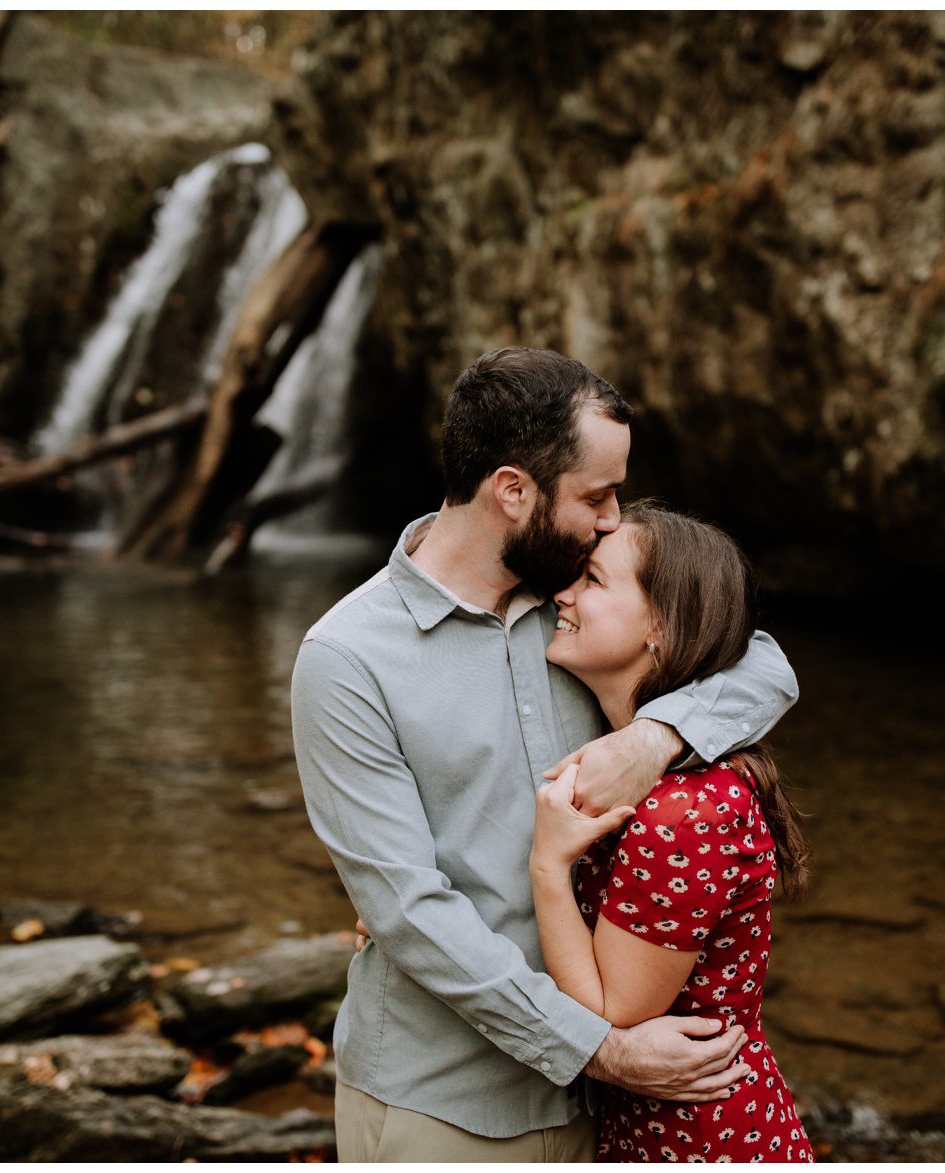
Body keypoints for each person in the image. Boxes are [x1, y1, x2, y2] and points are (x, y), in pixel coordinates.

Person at [292, 347, 800, 1161]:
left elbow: (763, 661)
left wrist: (655, 738)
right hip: (445, 1105)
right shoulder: (346, 658)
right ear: (513, 490)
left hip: (602, 1107)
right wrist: (602, 1050)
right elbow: (410, 913)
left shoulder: (577, 604)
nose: (612, 519)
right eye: (595, 496)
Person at [531, 502, 814, 1162]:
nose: (563, 594)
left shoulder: (683, 810)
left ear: (659, 626)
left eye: (593, 580)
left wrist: (548, 865)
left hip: (702, 1139)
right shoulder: (659, 773)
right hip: (662, 1126)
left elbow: (611, 1014)